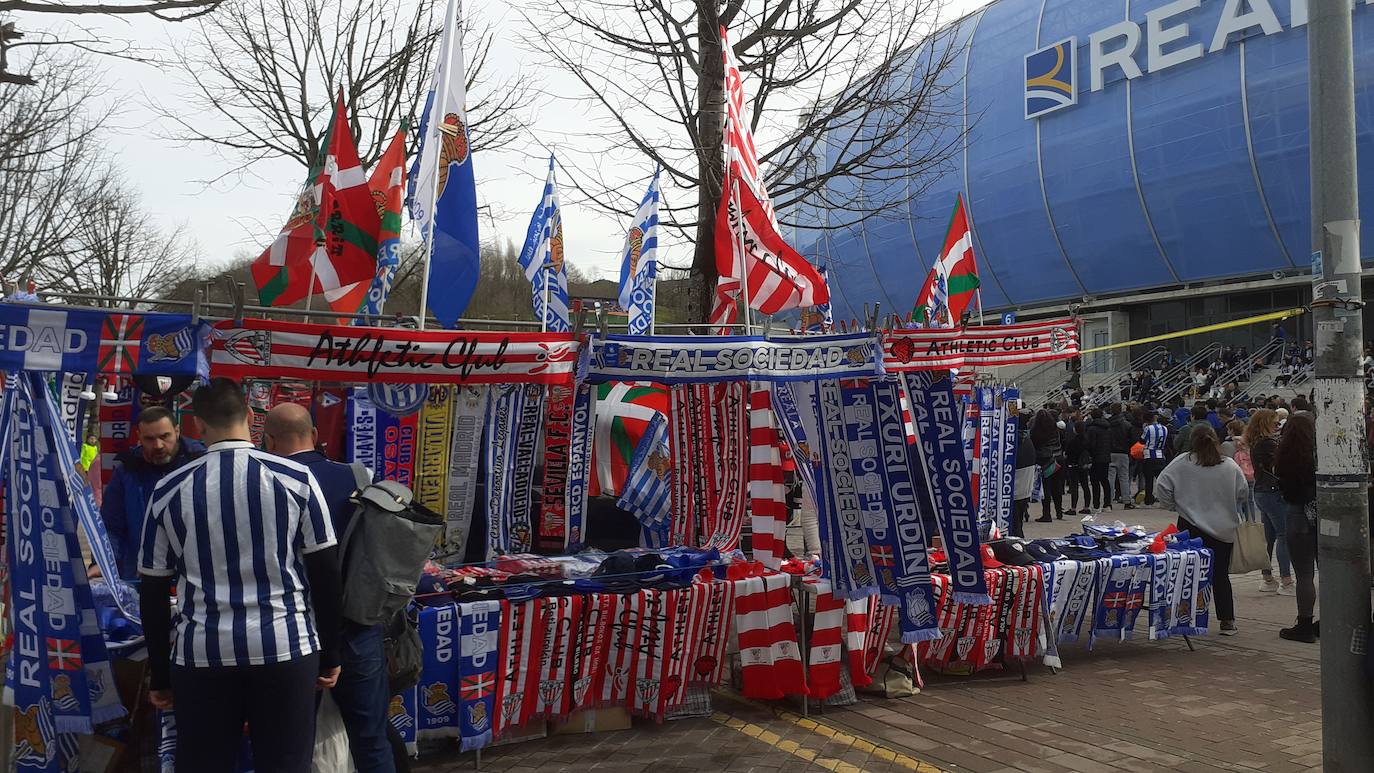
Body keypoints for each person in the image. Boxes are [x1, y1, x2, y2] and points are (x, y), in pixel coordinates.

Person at [137, 378, 343, 773]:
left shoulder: (168, 491)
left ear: (197, 426)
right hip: (285, 647)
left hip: (202, 655)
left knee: (203, 764)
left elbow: (153, 588)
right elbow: (326, 572)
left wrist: (161, 675)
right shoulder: (297, 480)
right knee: (284, 764)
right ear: (251, 417)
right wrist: (330, 653)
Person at [263, 403, 397, 773]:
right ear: (316, 436)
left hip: (293, 630)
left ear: (269, 440)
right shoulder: (359, 474)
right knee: (370, 738)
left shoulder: (266, 483)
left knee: (291, 746)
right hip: (355, 623)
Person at [1153, 426, 1247, 636]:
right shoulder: (1229, 465)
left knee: (1188, 575)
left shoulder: (1182, 463)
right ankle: (1227, 621)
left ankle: (1186, 616)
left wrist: (1172, 505)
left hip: (1190, 526)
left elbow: (1162, 484)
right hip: (1223, 528)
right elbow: (1243, 492)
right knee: (1220, 575)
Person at [100, 406, 206, 580]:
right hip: (140, 574)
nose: (158, 445)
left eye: (165, 436)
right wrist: (104, 562)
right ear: (138, 437)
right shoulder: (127, 470)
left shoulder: (201, 462)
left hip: (193, 576)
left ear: (177, 431)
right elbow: (111, 527)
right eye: (149, 439)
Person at [1274, 412, 1319, 643]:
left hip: (1296, 512)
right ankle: (1329, 619)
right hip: (1322, 513)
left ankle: (1304, 623)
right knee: (1330, 573)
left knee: (1304, 574)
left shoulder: (1286, 453)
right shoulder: (1321, 451)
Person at [1246, 409, 1292, 595]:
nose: (1278, 424)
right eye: (1275, 421)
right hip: (1273, 491)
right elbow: (1281, 465)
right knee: (1283, 535)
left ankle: (1267, 578)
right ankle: (1286, 580)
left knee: (1270, 536)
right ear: (1266, 423)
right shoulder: (1268, 443)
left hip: (1261, 490)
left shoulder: (1256, 442)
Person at [1030, 409, 1064, 523]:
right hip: (1058, 458)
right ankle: (1059, 512)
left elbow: (1034, 445)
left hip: (1045, 461)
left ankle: (1047, 513)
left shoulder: (1036, 431)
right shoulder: (1055, 429)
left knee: (1046, 488)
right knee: (1057, 487)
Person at [1105, 403, 1136, 510]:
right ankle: (1127, 501)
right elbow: (1133, 440)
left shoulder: (1107, 424)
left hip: (1110, 452)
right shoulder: (1127, 425)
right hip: (1123, 453)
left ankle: (1108, 500)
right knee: (1124, 477)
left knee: (1110, 478)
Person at [1084, 408, 1113, 513]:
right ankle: (1107, 504)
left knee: (1095, 482)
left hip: (1096, 457)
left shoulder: (1091, 429)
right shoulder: (1108, 428)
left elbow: (1091, 444)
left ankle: (1096, 505)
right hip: (1106, 456)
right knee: (1105, 480)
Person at [1139, 412, 1168, 506]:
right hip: (1160, 455)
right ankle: (1163, 499)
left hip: (1149, 455)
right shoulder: (1165, 428)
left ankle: (1148, 500)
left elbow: (1142, 440)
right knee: (1161, 480)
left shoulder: (1148, 428)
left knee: (1149, 480)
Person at [1064, 416, 1091, 516]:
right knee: (1085, 486)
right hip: (1083, 464)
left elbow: (1068, 453)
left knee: (1074, 486)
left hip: (1073, 464)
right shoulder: (1087, 440)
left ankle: (1073, 507)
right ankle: (1086, 506)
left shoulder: (1073, 441)